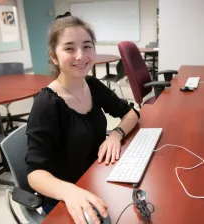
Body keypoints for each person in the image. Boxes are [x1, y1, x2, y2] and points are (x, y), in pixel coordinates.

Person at [25, 12, 139, 224]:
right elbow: (34, 174)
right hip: (66, 197)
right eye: (69, 48)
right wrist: (69, 192)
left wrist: (116, 134)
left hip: (97, 178)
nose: (80, 55)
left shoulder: (92, 85)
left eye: (87, 46)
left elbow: (131, 113)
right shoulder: (47, 103)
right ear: (53, 57)